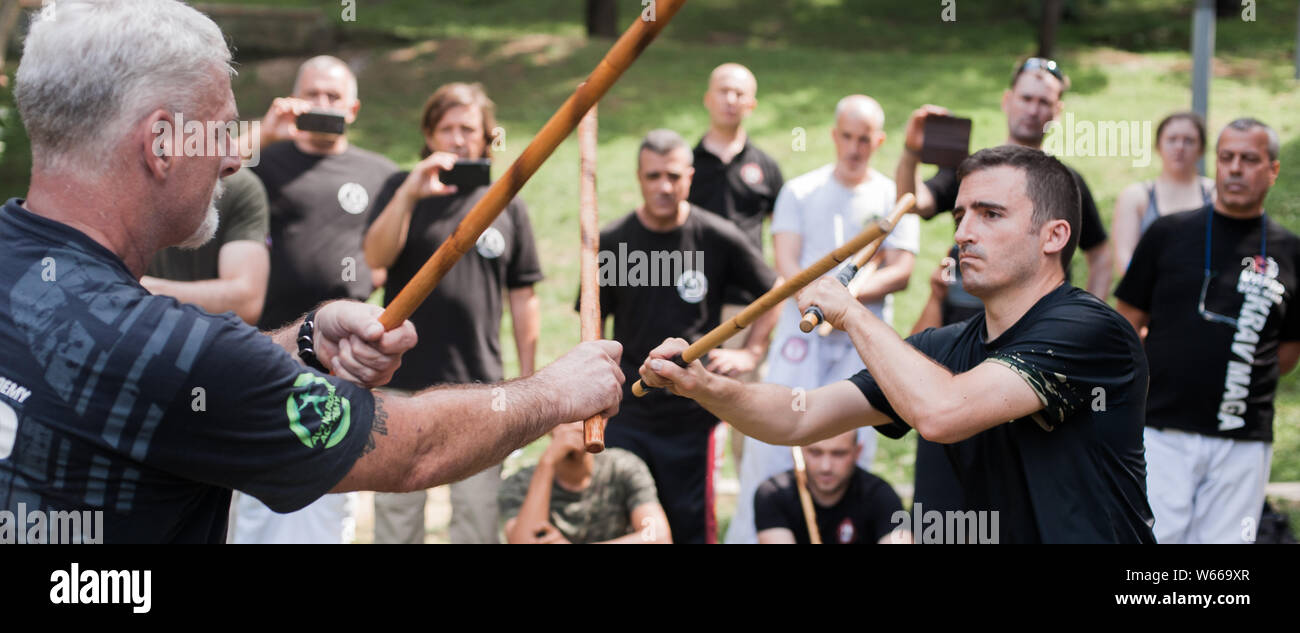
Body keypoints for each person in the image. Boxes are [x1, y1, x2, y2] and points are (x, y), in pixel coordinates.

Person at [0, 0, 624, 544]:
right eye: (222, 131)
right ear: (161, 143)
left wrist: (305, 340)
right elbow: (411, 450)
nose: (229, 160)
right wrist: (552, 392)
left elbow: (174, 387)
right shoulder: (170, 352)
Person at [640, 145, 1156, 544]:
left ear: (1054, 236)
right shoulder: (941, 349)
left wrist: (852, 313)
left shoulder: (1091, 331)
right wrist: (702, 385)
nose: (964, 234)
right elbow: (799, 416)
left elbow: (943, 413)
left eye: (990, 214)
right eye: (960, 216)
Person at [726, 95, 918, 544]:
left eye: (864, 139)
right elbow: (788, 264)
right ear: (834, 136)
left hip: (861, 339)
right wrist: (819, 297)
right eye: (847, 137)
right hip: (802, 334)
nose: (854, 147)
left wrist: (846, 299)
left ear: (879, 141)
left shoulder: (892, 195)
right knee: (772, 439)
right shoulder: (800, 190)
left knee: (850, 442)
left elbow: (901, 270)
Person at [363, 83, 543, 544]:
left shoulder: (507, 202)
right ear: (429, 134)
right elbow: (375, 259)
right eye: (447, 128)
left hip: (480, 385)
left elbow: (524, 297)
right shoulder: (399, 188)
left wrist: (527, 377)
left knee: (476, 515)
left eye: (469, 129)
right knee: (397, 512)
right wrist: (408, 193)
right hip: (401, 381)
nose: (459, 139)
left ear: (487, 138)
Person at [233, 54, 401, 544]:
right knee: (258, 480)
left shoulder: (382, 173)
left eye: (333, 96)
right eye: (313, 93)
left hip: (343, 355)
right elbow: (205, 176)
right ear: (293, 98)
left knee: (329, 481)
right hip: (266, 345)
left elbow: (394, 248)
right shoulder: (266, 158)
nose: (322, 103)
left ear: (353, 107)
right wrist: (265, 131)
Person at [1116, 118, 1300, 544]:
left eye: (1250, 159)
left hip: (1244, 440)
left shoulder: (1291, 252)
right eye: (1227, 157)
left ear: (1272, 170)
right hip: (1162, 432)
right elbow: (1126, 321)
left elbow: (1288, 353)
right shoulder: (1167, 234)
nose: (1235, 168)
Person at [593, 128, 779, 543]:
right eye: (654, 175)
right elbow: (592, 325)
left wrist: (752, 353)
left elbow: (774, 292)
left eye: (673, 176)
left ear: (690, 177)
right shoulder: (613, 240)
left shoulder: (717, 235)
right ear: (639, 177)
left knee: (689, 525)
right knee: (626, 525)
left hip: (691, 412)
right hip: (629, 409)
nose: (664, 186)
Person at [896, 57, 1113, 299]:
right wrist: (911, 151)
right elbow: (912, 202)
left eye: (1044, 102)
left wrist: (1088, 322)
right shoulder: (973, 172)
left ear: (1057, 111)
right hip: (966, 318)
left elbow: (1100, 255)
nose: (1033, 110)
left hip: (1040, 323)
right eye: (1026, 98)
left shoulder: (1067, 182)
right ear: (1007, 101)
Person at [686, 63, 785, 476]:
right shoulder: (687, 165)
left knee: (750, 414)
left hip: (747, 307)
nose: (730, 99)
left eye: (739, 93)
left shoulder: (765, 167)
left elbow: (782, 238)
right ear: (708, 98)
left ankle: (750, 515)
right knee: (696, 417)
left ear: (752, 103)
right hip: (693, 305)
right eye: (723, 91)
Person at [498, 421, 671, 544]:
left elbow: (657, 536)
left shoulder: (623, 467)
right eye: (566, 417)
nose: (575, 425)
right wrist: (547, 464)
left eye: (584, 415)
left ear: (602, 421)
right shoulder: (520, 483)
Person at [140, 168, 270, 326]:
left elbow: (246, 302)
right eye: (214, 142)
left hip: (211, 340)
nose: (234, 161)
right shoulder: (123, 184)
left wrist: (139, 290)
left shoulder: (239, 186)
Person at [754, 431, 907, 544]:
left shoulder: (881, 495)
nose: (825, 466)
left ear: (857, 452)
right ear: (800, 450)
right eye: (816, 452)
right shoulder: (772, 493)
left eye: (838, 454)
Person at [1112, 111, 1215, 274]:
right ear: (1158, 146)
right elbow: (1124, 259)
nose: (1179, 147)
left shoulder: (1215, 194)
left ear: (1201, 148)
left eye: (1189, 141)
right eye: (1172, 139)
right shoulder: (1135, 196)